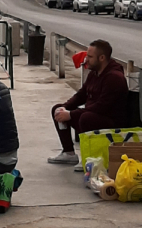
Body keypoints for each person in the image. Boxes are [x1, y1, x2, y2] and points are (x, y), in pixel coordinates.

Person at [49, 39, 128, 168]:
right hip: (95, 114)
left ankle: (89, 158)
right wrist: (65, 108)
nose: (86, 60)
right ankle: (69, 153)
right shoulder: (94, 73)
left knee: (86, 118)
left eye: (90, 57)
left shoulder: (114, 78)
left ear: (102, 58)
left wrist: (71, 114)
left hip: (111, 121)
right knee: (58, 109)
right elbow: (81, 95)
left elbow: (102, 107)